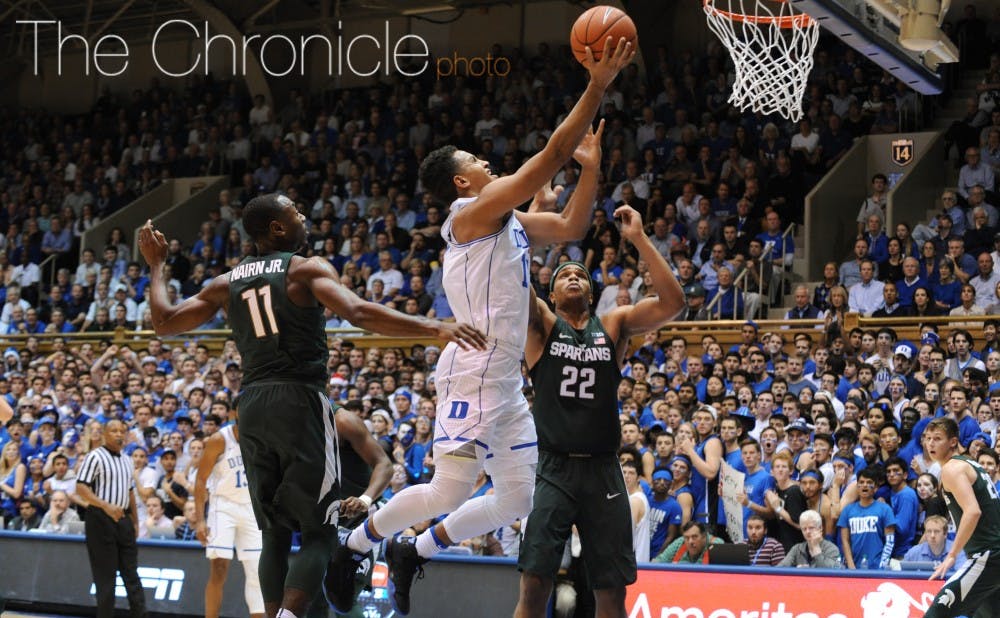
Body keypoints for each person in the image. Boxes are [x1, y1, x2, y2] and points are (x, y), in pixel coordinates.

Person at [342, 38, 636, 617]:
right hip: (474, 367)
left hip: (504, 375)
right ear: (461, 184)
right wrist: (597, 85)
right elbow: (548, 156)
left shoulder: (505, 218)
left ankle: (412, 551)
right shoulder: (470, 215)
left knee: (518, 497)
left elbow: (573, 223)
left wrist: (593, 170)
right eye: (477, 162)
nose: (486, 163)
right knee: (449, 490)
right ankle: (352, 545)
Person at [139, 196, 486, 618]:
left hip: (249, 405)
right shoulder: (305, 269)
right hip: (299, 399)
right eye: (295, 213)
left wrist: (157, 266)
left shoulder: (225, 282)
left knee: (274, 535)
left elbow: (163, 322)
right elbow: (357, 311)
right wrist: (436, 327)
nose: (303, 216)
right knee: (321, 532)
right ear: (278, 229)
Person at [922, 417, 1000, 616]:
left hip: (987, 555)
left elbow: (973, 511)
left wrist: (951, 555)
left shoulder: (952, 469)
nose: (930, 443)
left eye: (937, 438)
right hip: (993, 556)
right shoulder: (970, 464)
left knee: (936, 613)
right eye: (928, 438)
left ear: (953, 442)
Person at [194, 410, 265, 618]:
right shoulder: (219, 439)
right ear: (235, 414)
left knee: (256, 573)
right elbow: (200, 480)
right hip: (223, 507)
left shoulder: (263, 438)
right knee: (219, 568)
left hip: (252, 509)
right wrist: (200, 520)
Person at [75, 420, 146, 618]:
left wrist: (135, 521)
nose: (118, 434)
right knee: (105, 579)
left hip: (123, 519)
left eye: (122, 431)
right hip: (100, 518)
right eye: (113, 431)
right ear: (105, 434)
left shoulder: (127, 460)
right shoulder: (95, 456)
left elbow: (130, 491)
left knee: (132, 574)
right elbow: (81, 487)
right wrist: (105, 505)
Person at [778, 510, 842, 568]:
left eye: (811, 528)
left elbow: (833, 572)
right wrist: (796, 571)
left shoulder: (832, 549)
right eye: (804, 529)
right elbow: (780, 569)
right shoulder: (797, 549)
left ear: (820, 528)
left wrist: (816, 550)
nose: (807, 531)